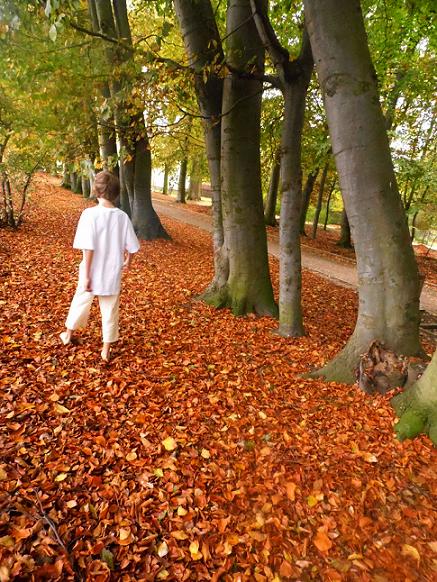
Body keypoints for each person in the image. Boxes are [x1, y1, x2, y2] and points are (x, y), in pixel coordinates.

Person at [60, 170, 139, 361]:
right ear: (116, 192)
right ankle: (105, 350)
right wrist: (129, 260)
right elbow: (133, 246)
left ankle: (68, 335)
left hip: (92, 270)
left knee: (80, 301)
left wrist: (86, 275)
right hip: (112, 272)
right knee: (110, 309)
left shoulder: (90, 214)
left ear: (97, 190)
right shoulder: (122, 217)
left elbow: (88, 247)